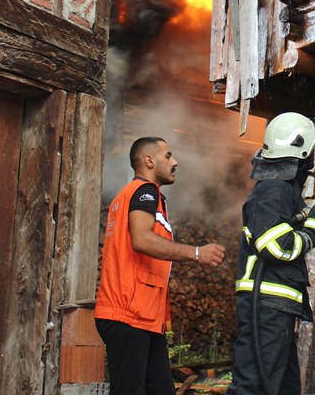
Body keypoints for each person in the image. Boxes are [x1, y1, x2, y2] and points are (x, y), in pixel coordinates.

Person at [226, 113, 315, 395]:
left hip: (275, 304)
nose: (313, 160)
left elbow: (286, 229)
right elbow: (276, 246)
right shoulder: (273, 190)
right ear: (301, 152)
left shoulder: (281, 191)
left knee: (283, 387)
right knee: (254, 385)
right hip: (266, 302)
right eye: (312, 151)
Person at [95, 136, 227, 395]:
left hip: (141, 318)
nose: (175, 161)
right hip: (128, 315)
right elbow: (142, 239)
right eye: (168, 155)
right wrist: (197, 253)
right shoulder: (145, 191)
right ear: (149, 160)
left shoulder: (134, 195)